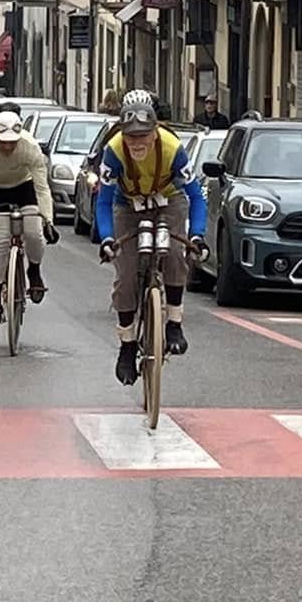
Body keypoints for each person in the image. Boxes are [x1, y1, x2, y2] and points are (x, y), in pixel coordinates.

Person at [95, 90, 208, 385]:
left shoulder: (173, 148)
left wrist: (196, 235)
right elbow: (104, 201)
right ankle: (127, 345)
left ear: (155, 131)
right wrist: (107, 239)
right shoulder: (113, 152)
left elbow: (196, 196)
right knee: (126, 275)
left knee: (173, 253)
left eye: (143, 135)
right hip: (126, 204)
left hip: (168, 201)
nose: (137, 142)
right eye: (130, 136)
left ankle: (173, 324)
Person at [0, 112, 57, 317]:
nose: (8, 147)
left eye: (12, 143)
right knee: (0, 242)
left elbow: (42, 188)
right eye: (3, 142)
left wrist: (48, 220)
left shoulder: (30, 147)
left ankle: (34, 272)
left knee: (34, 233)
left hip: (23, 186)